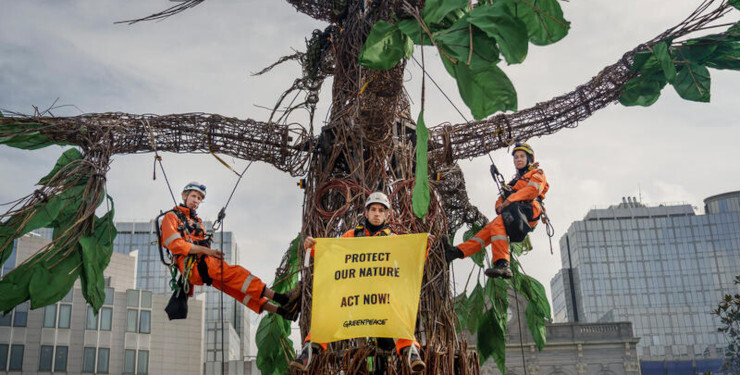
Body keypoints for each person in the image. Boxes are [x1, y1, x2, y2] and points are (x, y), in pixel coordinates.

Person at [290, 192, 427, 373]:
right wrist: (313, 247)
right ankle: (310, 349)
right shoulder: (352, 236)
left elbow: (410, 261)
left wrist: (424, 248)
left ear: (387, 215)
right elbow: (333, 254)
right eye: (373, 210)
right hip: (353, 297)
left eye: (380, 210)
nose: (377, 214)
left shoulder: (394, 240)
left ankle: (411, 351)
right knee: (329, 313)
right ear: (366, 213)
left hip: (382, 297)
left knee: (399, 317)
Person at [160, 181, 301, 321]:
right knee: (237, 274)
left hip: (200, 265)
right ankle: (282, 298)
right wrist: (206, 250)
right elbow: (174, 244)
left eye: (199, 199)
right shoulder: (171, 217)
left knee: (238, 290)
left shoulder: (196, 221)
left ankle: (284, 312)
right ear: (184, 196)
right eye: (193, 196)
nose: (196, 201)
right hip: (192, 266)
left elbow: (197, 243)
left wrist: (206, 246)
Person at [444, 142, 549, 279]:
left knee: (499, 223)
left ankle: (503, 264)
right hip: (515, 209)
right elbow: (501, 200)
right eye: (516, 157)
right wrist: (500, 205)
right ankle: (458, 252)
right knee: (491, 228)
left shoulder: (537, 173)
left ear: (529, 159)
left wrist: (509, 200)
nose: (518, 159)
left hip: (530, 209)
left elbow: (533, 190)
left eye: (522, 156)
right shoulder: (514, 182)